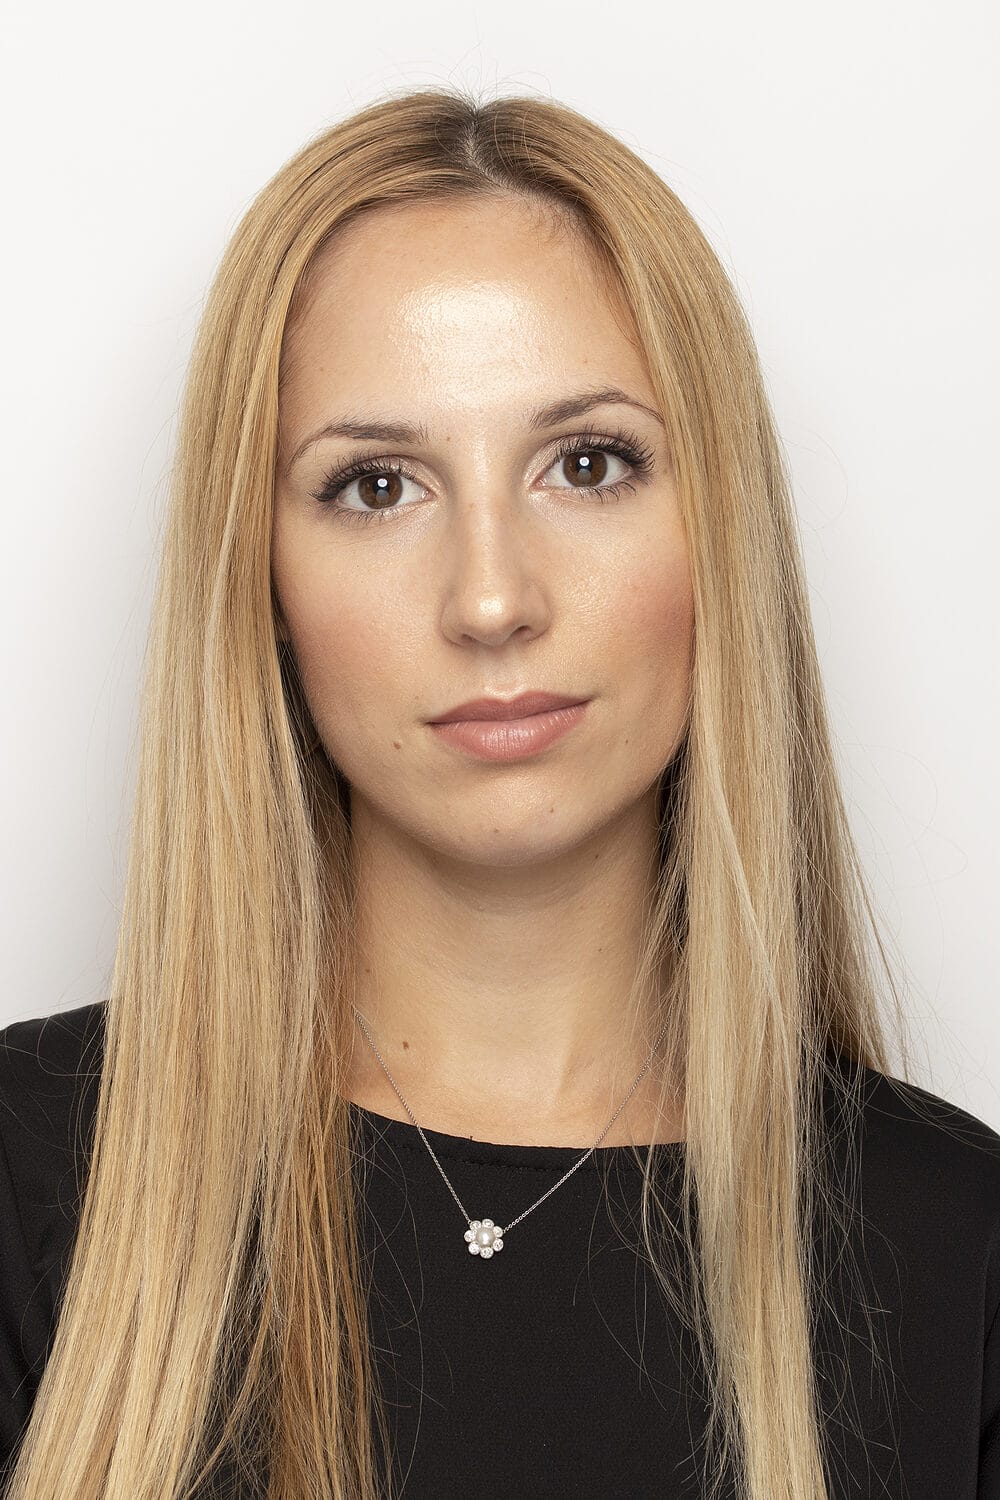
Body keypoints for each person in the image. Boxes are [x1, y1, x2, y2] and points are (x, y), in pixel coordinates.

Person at [1, 85, 998, 1500]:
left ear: (721, 530)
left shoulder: (956, 1247)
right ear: (260, 581)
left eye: (587, 465)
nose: (490, 598)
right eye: (376, 486)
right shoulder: (33, 1179)